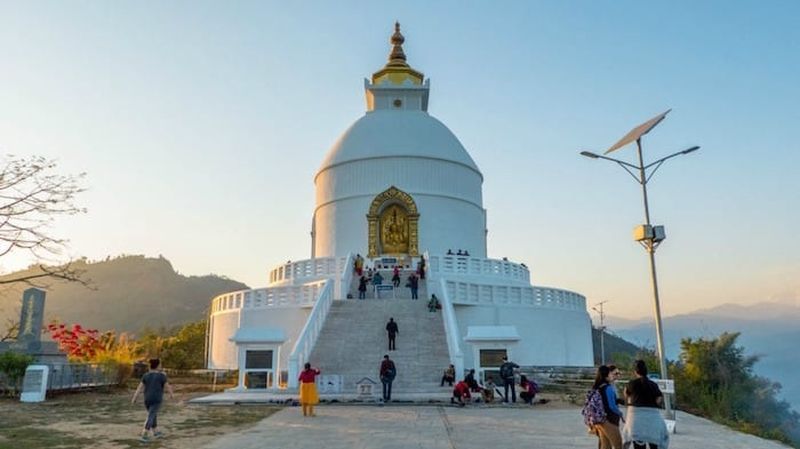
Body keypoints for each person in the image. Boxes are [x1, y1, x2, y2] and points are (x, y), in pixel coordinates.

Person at [622, 360, 669, 449]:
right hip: (652, 417)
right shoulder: (653, 385)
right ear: (646, 371)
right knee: (654, 442)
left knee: (639, 444)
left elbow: (626, 395)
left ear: (635, 372)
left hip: (636, 418)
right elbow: (659, 399)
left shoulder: (631, 384)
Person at [131, 358, 175, 443]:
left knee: (152, 414)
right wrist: (172, 395)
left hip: (147, 399)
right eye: (160, 364)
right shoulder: (162, 376)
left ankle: (155, 432)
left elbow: (139, 388)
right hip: (157, 399)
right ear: (158, 366)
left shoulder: (146, 375)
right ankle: (145, 433)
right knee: (151, 415)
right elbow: (167, 386)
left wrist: (134, 398)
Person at [589, 365, 624, 449]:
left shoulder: (597, 387)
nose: (612, 375)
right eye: (611, 374)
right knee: (618, 444)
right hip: (609, 420)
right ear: (606, 375)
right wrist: (620, 414)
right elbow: (612, 406)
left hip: (600, 420)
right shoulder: (608, 388)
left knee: (605, 446)